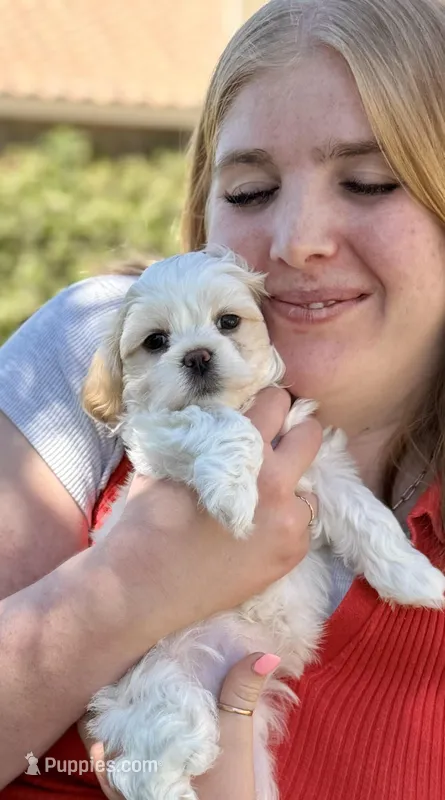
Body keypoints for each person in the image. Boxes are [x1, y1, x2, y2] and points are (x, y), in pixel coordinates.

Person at [0, 0, 444, 796]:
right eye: (247, 192)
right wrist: (129, 589)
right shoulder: (92, 349)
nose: (296, 241)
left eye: (369, 181)